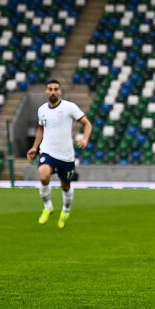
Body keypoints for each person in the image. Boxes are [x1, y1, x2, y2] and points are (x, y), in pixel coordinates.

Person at [27, 79, 92, 229]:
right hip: (47, 151)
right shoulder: (42, 110)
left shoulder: (69, 107)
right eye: (50, 89)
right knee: (43, 175)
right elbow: (41, 129)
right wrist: (34, 147)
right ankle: (48, 207)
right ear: (46, 92)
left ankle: (66, 211)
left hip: (66, 156)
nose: (53, 92)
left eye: (56, 89)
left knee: (66, 185)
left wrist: (85, 138)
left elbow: (87, 124)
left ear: (60, 91)